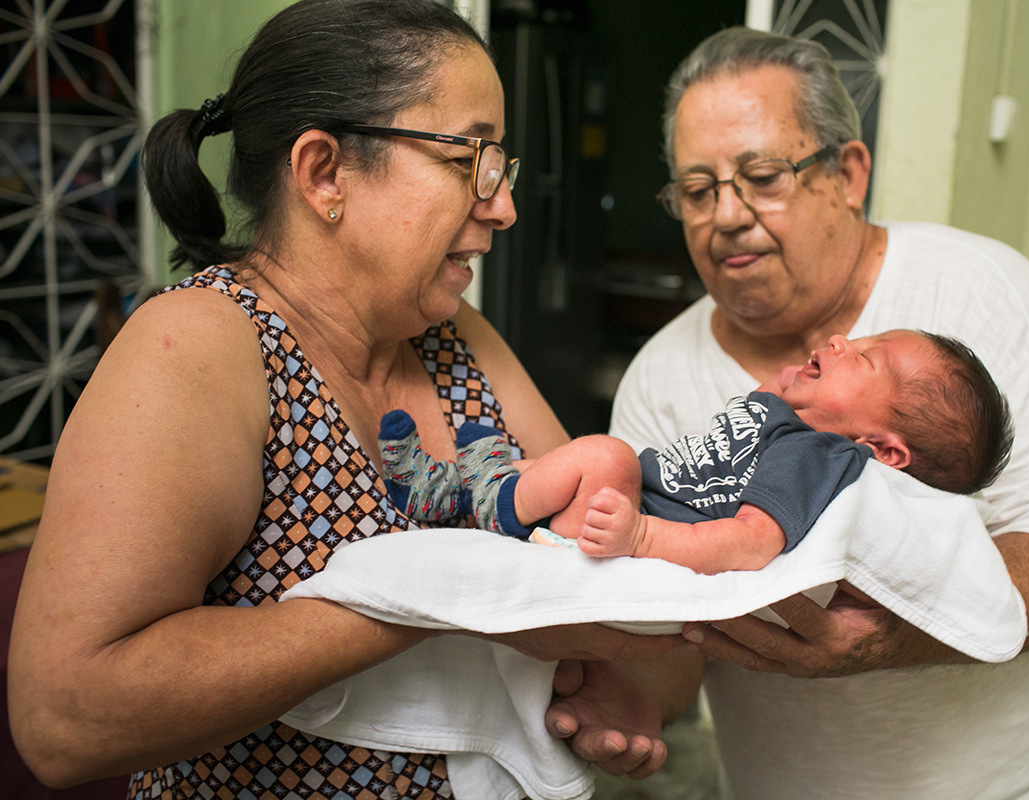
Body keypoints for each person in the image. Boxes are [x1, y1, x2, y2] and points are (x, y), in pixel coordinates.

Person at [6, 1, 685, 796]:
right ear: (325, 172)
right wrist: (435, 596)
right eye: (471, 157)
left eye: (500, 164)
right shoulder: (201, 344)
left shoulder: (456, 338)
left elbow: (624, 614)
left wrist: (612, 673)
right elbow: (65, 718)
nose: (500, 203)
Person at [549, 26, 1029, 800]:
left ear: (848, 173)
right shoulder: (661, 375)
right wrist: (640, 692)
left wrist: (891, 639)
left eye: (762, 176)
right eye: (697, 191)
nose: (725, 215)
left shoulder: (984, 295)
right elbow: (681, 612)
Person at [380, 329, 1013, 575]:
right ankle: (450, 493)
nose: (842, 340)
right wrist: (785, 389)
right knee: (559, 464)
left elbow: (750, 540)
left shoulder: (820, 457)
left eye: (865, 357)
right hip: (609, 519)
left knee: (607, 459)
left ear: (881, 449)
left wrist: (641, 538)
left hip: (623, 538)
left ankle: (475, 500)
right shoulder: (789, 416)